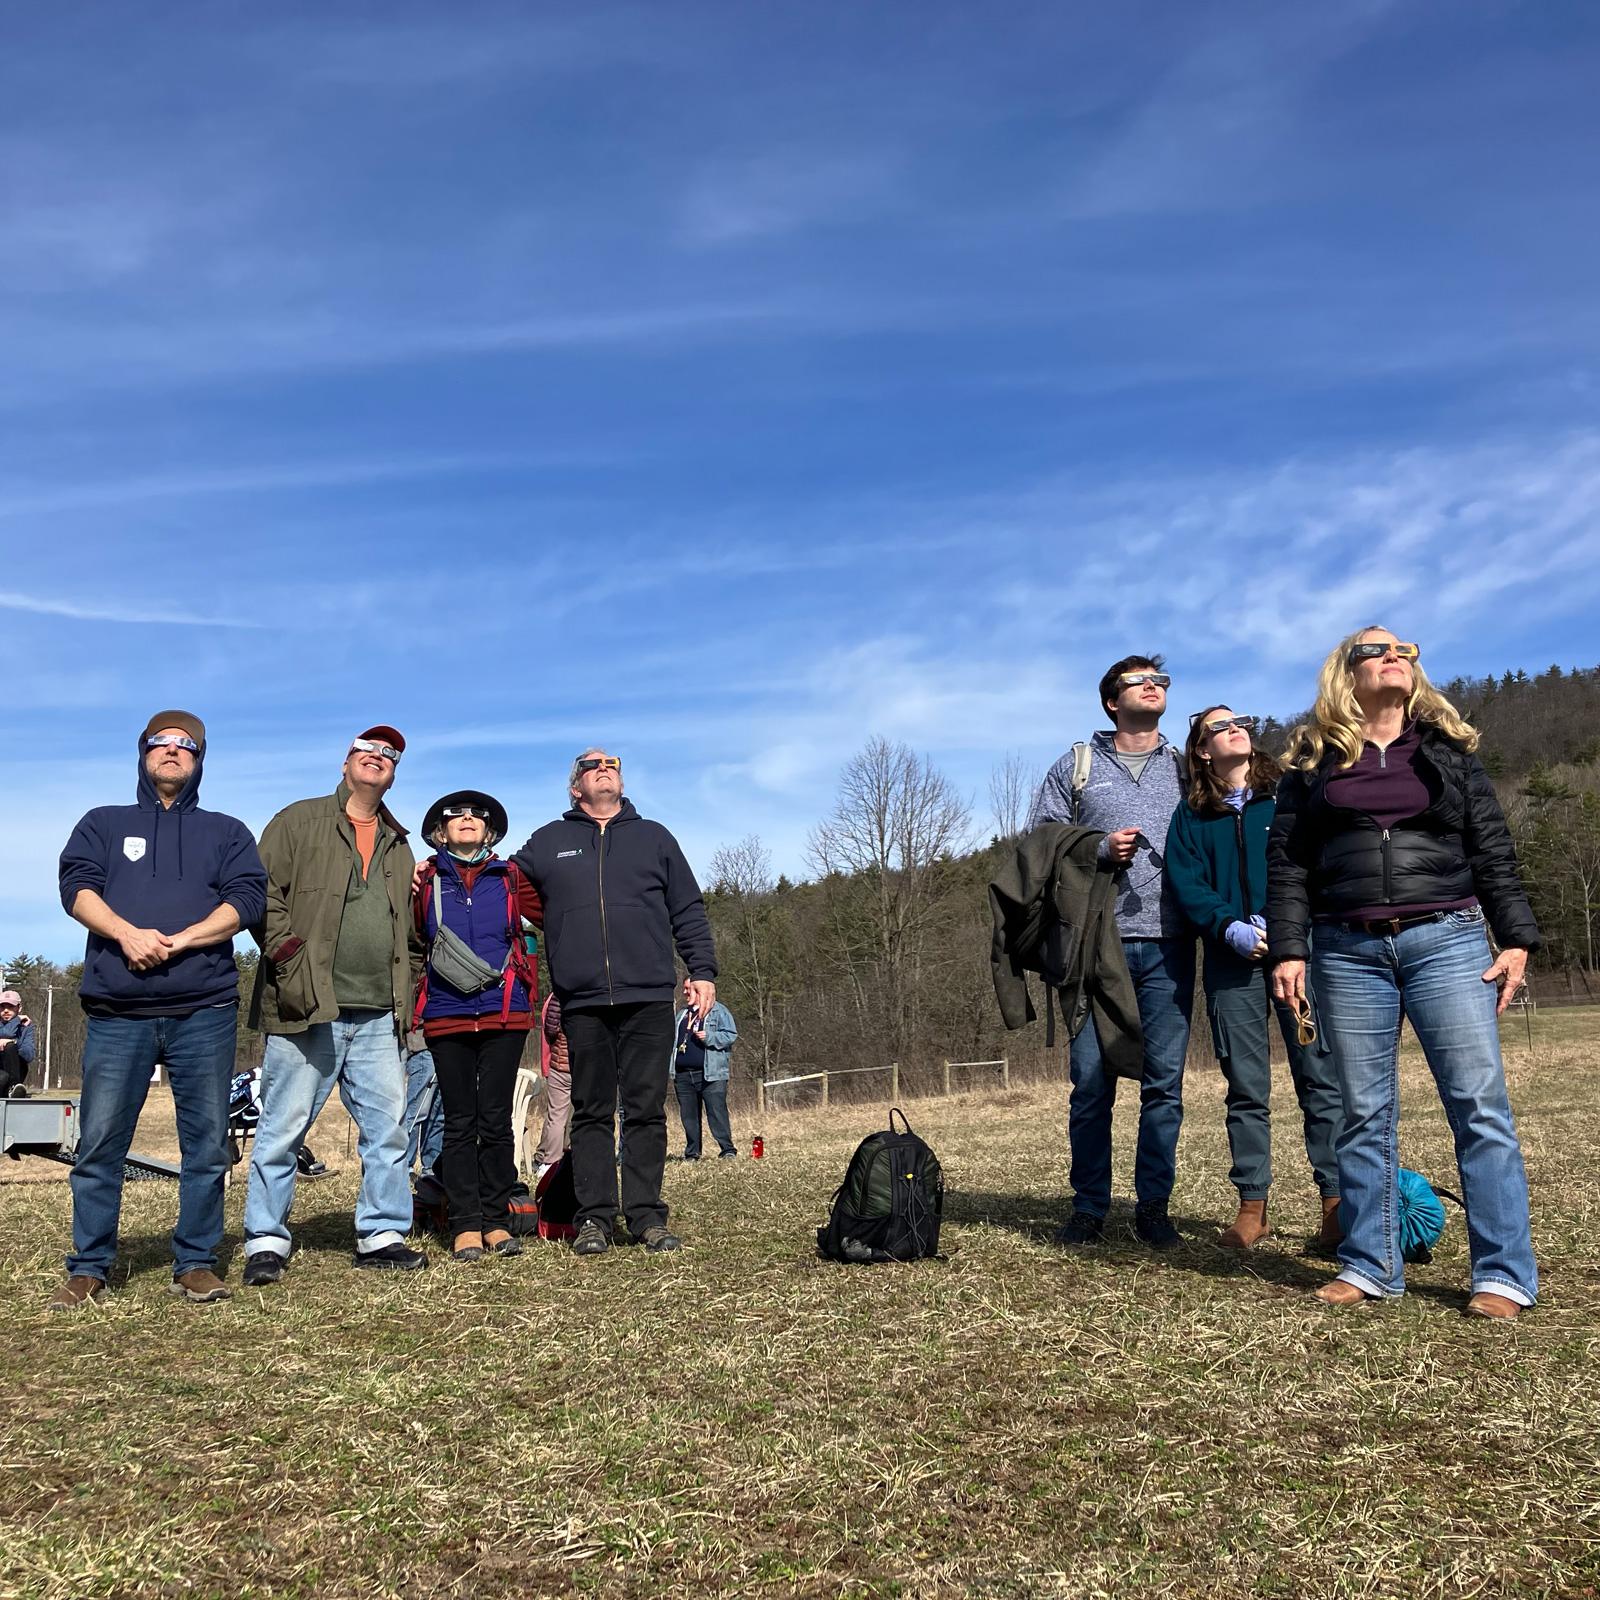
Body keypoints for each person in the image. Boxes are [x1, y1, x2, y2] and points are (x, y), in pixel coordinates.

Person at [1268, 628, 1540, 1319]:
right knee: (1361, 1112)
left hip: (1446, 940)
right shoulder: (1312, 762)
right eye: (1377, 650)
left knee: (1479, 1107)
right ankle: (1370, 1263)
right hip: (1345, 948)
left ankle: (1503, 1274)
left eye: (1406, 651)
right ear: (1345, 673)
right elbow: (1289, 865)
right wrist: (1290, 949)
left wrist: (1515, 939)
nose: (1397, 657)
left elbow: (1492, 848)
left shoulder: (1445, 750)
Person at [52, 710, 266, 1309]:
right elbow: (77, 889)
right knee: (99, 1142)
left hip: (204, 1009)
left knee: (204, 1143)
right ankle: (90, 1266)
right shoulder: (102, 823)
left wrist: (188, 937)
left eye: (187, 746)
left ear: (200, 759)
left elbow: (247, 899)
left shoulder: (225, 831)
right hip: (119, 1012)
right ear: (142, 753)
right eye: (161, 744)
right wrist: (127, 934)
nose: (173, 752)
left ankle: (195, 1262)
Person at [510, 748, 718, 1256]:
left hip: (647, 994)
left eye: (613, 764)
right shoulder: (549, 841)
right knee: (592, 1111)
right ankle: (594, 1220)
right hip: (581, 1000)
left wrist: (702, 972)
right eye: (591, 764)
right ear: (575, 787)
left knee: (645, 1110)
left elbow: (687, 908)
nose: (604, 767)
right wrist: (436, 871)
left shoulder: (655, 838)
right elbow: (505, 886)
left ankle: (646, 1217)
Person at [243, 725, 426, 1284]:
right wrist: (287, 956)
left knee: (388, 1131)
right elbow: (257, 893)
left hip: (378, 1014)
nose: (377, 759)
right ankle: (266, 1240)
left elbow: (409, 928)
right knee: (282, 1129)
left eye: (389, 755)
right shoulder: (297, 821)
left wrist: (411, 980)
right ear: (346, 761)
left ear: (394, 772)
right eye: (367, 751)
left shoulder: (399, 844)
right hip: (307, 1007)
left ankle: (383, 1232)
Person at [1028, 654, 1195, 1249]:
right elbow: (1040, 845)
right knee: (1092, 1084)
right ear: (1110, 700)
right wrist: (1098, 849)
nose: (1153, 687)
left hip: (1172, 945)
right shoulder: (1076, 767)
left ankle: (1153, 1207)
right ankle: (1089, 1209)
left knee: (1164, 1085)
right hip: (1093, 949)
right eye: (1138, 681)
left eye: (1161, 681)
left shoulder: (1186, 767)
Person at [1165, 706, 1343, 1251]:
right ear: (1202, 750)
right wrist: (1229, 928)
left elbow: (1315, 859)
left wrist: (1284, 920)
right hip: (1229, 962)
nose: (1235, 728)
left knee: (1319, 1076)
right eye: (1219, 727)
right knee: (1246, 1087)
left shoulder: (1288, 791)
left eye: (1239, 720)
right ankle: (1252, 1208)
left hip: (1297, 952)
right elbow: (1185, 882)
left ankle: (1336, 1206)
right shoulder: (1192, 814)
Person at [411, 789, 542, 1262]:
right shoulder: (424, 882)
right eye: (455, 815)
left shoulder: (511, 879)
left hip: (505, 1012)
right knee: (459, 1121)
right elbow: (408, 940)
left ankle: (495, 1220)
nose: (467, 819)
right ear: (440, 832)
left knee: (495, 1120)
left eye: (477, 815)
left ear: (490, 831)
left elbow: (561, 914)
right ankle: (465, 1224)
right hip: (446, 1014)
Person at [670, 1000, 739, 1159]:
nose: (686, 992)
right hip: (682, 1074)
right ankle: (692, 1153)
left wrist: (710, 1036)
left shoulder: (718, 1010)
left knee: (716, 1113)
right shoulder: (682, 1014)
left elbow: (730, 1035)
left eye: (689, 989)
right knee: (689, 1116)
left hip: (710, 1073)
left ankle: (727, 1150)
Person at [534, 992, 572, 1177]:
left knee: (556, 1116)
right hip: (585, 1065)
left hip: (560, 1065)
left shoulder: (557, 997)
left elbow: (550, 1030)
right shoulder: (591, 991)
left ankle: (550, 1162)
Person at [402, 1028, 444, 1179]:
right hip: (423, 1048)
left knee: (438, 1116)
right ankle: (404, 1166)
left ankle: (431, 1169)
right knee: (415, 1112)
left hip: (443, 1048)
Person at [0, 990, 37, 1097]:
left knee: (10, 1047)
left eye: (10, 1007)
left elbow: (29, 1055)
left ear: (19, 1008)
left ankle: (14, 1087)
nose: (6, 1010)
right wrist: (16, 1020)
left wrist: (13, 1043)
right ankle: (12, 1088)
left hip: (17, 1070)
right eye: (2, 1007)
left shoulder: (26, 1027)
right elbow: (8, 1032)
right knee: (3, 1077)